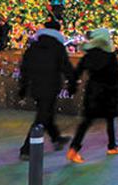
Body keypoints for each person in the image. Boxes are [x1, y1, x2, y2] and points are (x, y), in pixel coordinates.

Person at [66, 29, 118, 163]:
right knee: (111, 119)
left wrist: (72, 88)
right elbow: (115, 78)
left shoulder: (88, 56)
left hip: (93, 93)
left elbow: (76, 74)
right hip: (109, 94)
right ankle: (112, 146)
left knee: (86, 122)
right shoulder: (111, 57)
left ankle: (73, 149)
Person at [18, 19, 75, 160]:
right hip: (51, 86)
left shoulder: (33, 47)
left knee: (45, 112)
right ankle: (26, 149)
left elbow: (24, 69)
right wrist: (72, 84)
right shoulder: (58, 47)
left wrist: (23, 87)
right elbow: (66, 67)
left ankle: (56, 139)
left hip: (35, 86)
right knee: (41, 117)